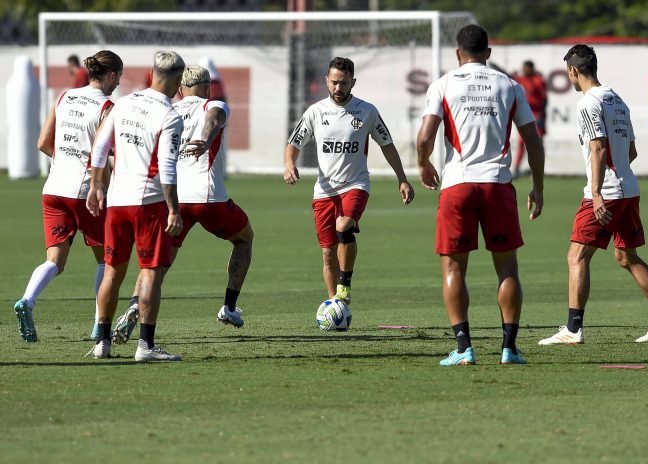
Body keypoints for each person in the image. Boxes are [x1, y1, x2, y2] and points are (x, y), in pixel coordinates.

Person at [416, 24, 545, 366]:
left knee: (453, 268)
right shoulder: (510, 85)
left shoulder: (443, 85)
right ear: (488, 53)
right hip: (498, 185)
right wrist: (538, 187)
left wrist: (423, 164)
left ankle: (463, 349)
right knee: (507, 269)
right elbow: (533, 141)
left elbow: (424, 137)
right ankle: (509, 349)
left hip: (458, 184)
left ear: (458, 54)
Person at [539, 45, 648, 346]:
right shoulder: (618, 100)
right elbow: (631, 150)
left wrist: (598, 193)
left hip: (606, 192)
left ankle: (573, 329)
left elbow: (599, 147)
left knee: (576, 256)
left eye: (569, 72)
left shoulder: (587, 103)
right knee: (626, 256)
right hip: (629, 189)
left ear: (574, 71)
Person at [110, 65, 253, 344]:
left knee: (156, 265)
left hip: (172, 200)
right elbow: (214, 118)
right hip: (208, 198)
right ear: (207, 87)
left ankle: (133, 306)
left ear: (180, 89)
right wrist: (206, 140)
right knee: (244, 239)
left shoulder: (169, 111)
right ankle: (229, 307)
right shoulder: (214, 103)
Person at [283, 56, 414, 309]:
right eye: (333, 83)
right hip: (324, 190)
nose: (338, 89)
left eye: (343, 83)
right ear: (326, 81)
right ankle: (336, 305)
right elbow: (294, 144)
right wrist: (289, 164)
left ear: (353, 82)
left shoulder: (367, 111)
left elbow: (387, 145)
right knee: (327, 252)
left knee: (343, 226)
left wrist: (403, 179)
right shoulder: (315, 111)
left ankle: (345, 284)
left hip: (356, 184)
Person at [13, 51, 123, 342]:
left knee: (55, 261)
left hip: (53, 189)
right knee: (105, 260)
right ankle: (100, 323)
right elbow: (106, 155)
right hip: (85, 191)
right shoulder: (108, 106)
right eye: (118, 77)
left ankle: (27, 300)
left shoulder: (64, 96)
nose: (119, 83)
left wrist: (66, 160)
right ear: (111, 76)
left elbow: (42, 143)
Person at [86, 51, 185, 362]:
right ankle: (145, 346)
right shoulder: (170, 115)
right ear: (178, 81)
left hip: (117, 202)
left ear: (151, 73)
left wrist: (95, 185)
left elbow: (100, 146)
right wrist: (173, 209)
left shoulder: (125, 102)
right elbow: (167, 168)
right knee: (151, 272)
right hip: (149, 203)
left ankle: (102, 342)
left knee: (112, 271)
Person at [513, 60, 547, 178]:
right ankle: (516, 168)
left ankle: (536, 170)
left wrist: (542, 117)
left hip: (537, 114)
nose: (524, 70)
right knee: (521, 142)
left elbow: (544, 99)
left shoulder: (538, 80)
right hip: (525, 113)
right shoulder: (521, 79)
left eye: (526, 68)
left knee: (536, 143)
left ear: (531, 68)